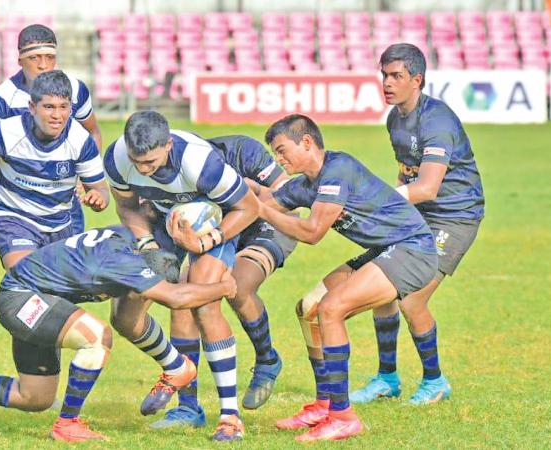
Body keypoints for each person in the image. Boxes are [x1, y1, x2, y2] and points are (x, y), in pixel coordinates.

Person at [0, 225, 237, 442]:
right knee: (97, 338)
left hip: (34, 296)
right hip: (22, 300)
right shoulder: (121, 263)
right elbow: (176, 298)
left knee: (35, 397)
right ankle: (67, 424)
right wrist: (224, 287)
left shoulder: (128, 238)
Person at [256, 114, 438, 441]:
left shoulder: (337, 170)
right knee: (309, 307)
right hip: (386, 249)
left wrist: (261, 211)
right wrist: (221, 207)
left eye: (282, 150)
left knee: (331, 309)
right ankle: (325, 404)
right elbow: (259, 202)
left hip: (413, 250)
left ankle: (343, 417)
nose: (278, 159)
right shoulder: (305, 185)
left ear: (307, 142)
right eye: (275, 153)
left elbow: (312, 232)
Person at [102, 111, 260, 442]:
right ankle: (185, 396)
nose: (143, 169)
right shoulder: (117, 159)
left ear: (168, 144)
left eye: (151, 162)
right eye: (138, 162)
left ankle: (230, 416)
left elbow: (250, 208)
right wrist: (146, 243)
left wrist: (206, 240)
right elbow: (128, 206)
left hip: (217, 224)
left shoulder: (199, 162)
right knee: (125, 314)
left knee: (202, 300)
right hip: (159, 223)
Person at [349, 43, 484, 406]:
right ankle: (387, 378)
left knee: (411, 300)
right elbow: (408, 172)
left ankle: (435, 381)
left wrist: (381, 202)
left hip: (455, 216)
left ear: (417, 79)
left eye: (396, 76)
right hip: (421, 213)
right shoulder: (395, 118)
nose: (387, 83)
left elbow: (426, 187)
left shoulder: (436, 121)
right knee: (384, 287)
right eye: (384, 75)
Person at [149, 135, 296, 429]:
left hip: (267, 224)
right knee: (187, 294)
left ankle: (267, 359)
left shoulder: (245, 150)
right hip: (216, 230)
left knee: (238, 286)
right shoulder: (188, 168)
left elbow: (288, 194)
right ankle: (188, 407)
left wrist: (250, 190)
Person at [0, 70, 110, 270]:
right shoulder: (5, 132)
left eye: (64, 107)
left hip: (60, 224)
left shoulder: (80, 141)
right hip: (12, 217)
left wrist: (99, 198)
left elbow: (101, 190)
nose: (57, 115)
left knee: (56, 292)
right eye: (49, 107)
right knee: (27, 273)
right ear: (32, 107)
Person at [0, 23, 102, 234]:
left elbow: (92, 132)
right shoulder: (2, 99)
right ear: (20, 60)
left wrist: (85, 176)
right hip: (18, 207)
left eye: (49, 57)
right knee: (26, 264)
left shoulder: (75, 89)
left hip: (65, 203)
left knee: (67, 265)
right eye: (34, 58)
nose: (43, 65)